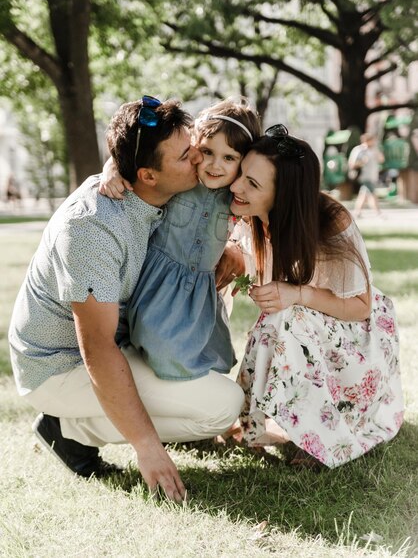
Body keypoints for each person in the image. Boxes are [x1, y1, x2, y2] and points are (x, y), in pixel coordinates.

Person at [9, 96, 245, 502]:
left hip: (120, 343)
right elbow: (96, 349)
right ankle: (69, 430)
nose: (200, 160)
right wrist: (147, 447)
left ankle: (94, 422)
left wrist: (231, 250)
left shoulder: (150, 191)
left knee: (210, 389)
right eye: (188, 155)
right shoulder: (91, 229)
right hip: (57, 366)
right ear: (148, 175)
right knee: (221, 406)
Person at [230, 124, 404, 468]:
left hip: (359, 332)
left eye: (252, 183)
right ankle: (252, 425)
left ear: (285, 194)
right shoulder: (249, 215)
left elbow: (361, 307)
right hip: (309, 322)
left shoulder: (331, 221)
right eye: (241, 175)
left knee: (282, 317)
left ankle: (321, 438)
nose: (236, 186)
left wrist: (296, 294)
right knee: (277, 319)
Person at [99, 98, 261, 380]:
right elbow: (137, 155)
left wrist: (238, 252)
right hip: (160, 283)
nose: (214, 165)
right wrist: (111, 168)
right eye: (207, 152)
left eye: (229, 158)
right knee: (159, 352)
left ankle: (200, 410)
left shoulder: (236, 197)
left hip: (201, 292)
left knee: (211, 361)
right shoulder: (182, 181)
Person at [348, 132, 384, 218]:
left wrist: (377, 153)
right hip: (364, 176)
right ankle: (378, 212)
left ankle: (357, 212)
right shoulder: (359, 150)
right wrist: (362, 162)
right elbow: (352, 164)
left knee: (363, 195)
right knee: (372, 193)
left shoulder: (374, 149)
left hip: (372, 176)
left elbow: (382, 160)